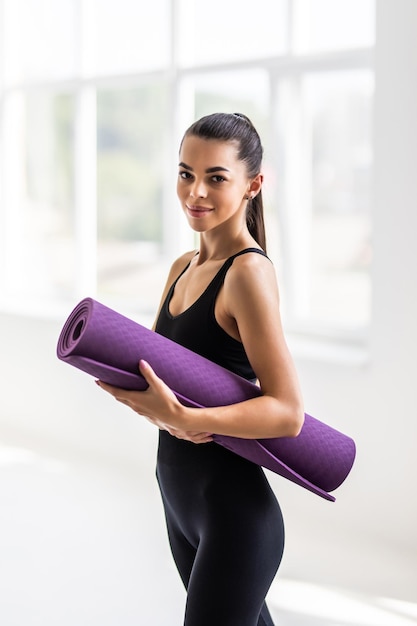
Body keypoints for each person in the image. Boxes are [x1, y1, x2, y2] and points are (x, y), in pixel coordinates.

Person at [97, 112, 304, 626]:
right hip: (180, 500)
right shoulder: (181, 269)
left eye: (217, 177)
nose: (196, 192)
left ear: (253, 185)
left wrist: (192, 421)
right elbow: (162, 382)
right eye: (187, 173)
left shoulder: (248, 273)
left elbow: (287, 412)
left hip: (234, 515)